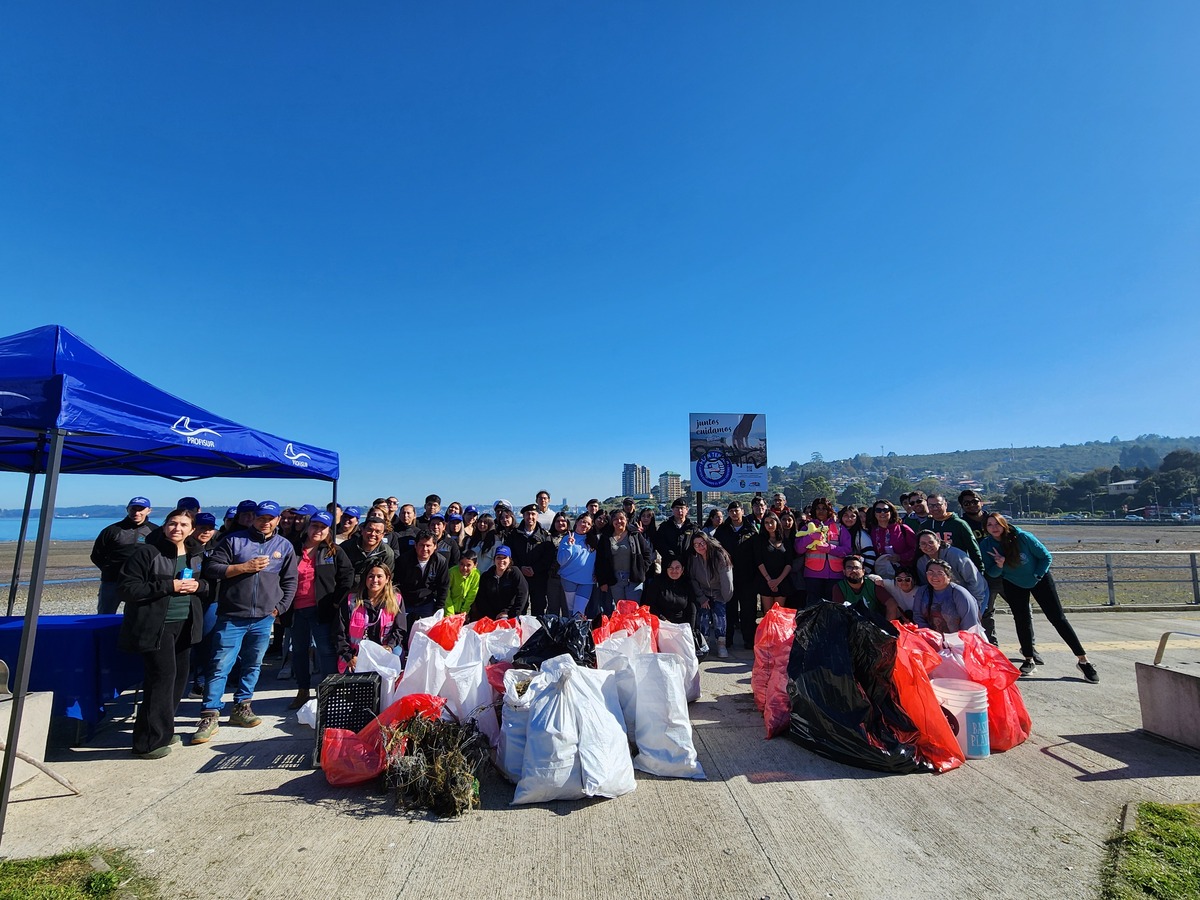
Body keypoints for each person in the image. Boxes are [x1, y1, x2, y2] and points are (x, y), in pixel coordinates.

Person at [194, 500, 297, 743]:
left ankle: (242, 706)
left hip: (263, 617)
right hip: (232, 615)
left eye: (271, 518)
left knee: (253, 664)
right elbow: (212, 569)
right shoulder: (234, 540)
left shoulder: (284, 546)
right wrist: (243, 567)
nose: (266, 522)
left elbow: (290, 581)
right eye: (262, 517)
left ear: (278, 520)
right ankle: (210, 713)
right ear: (254, 518)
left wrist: (279, 608)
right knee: (220, 664)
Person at [118, 509, 209, 759]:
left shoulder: (195, 554)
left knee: (179, 679)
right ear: (164, 526)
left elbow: (208, 585)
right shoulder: (146, 552)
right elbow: (127, 588)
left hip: (185, 624)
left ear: (192, 530)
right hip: (156, 626)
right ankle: (147, 742)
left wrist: (199, 585)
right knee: (161, 680)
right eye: (172, 523)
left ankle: (164, 731)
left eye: (183, 524)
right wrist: (169, 586)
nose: (176, 528)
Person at [981, 513, 1099, 682]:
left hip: (1039, 579)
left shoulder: (1022, 537)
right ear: (985, 528)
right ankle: (1029, 659)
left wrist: (1036, 576)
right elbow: (990, 572)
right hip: (1013, 582)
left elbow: (1045, 557)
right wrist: (1000, 565)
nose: (994, 528)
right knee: (1022, 620)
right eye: (989, 525)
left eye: (997, 524)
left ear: (1004, 524)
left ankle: (1083, 660)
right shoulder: (986, 545)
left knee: (1058, 618)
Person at [286, 511, 354, 710]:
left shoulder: (333, 551)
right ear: (308, 527)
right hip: (296, 609)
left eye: (323, 528)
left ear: (328, 531)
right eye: (315, 526)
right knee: (298, 651)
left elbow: (347, 576)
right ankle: (302, 690)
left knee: (326, 652)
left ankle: (328, 691)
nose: (318, 530)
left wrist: (336, 603)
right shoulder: (293, 549)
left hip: (322, 610)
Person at [91, 496, 156, 614]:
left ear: (148, 510)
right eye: (133, 509)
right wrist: (109, 570)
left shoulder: (155, 532)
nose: (136, 513)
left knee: (139, 616)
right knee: (105, 614)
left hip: (141, 582)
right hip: (112, 581)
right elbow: (96, 555)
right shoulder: (112, 530)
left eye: (140, 509)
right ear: (127, 509)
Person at [335, 563, 405, 671]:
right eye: (371, 576)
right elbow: (339, 632)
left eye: (379, 576)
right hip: (356, 654)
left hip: (384, 651)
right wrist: (349, 657)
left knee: (397, 654)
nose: (374, 580)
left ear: (387, 579)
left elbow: (400, 629)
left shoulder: (396, 600)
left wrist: (390, 646)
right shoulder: (351, 600)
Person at [714, 500, 760, 644]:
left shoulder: (751, 529)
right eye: (731, 511)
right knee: (729, 610)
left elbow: (757, 553)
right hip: (728, 575)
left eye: (737, 510)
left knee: (748, 610)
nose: (734, 513)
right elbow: (716, 549)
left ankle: (749, 640)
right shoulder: (722, 530)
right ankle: (727, 640)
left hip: (748, 576)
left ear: (742, 511)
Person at [914, 530, 989, 612]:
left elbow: (974, 581)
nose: (928, 546)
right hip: (947, 598)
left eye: (931, 542)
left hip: (975, 592)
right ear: (919, 546)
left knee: (971, 622)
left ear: (938, 542)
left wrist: (976, 605)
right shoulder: (921, 563)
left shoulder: (956, 555)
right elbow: (927, 586)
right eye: (923, 544)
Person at [394, 531, 450, 636]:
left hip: (427, 602)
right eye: (421, 545)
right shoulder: (403, 560)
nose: (424, 549)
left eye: (428, 545)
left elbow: (443, 587)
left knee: (427, 634)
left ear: (435, 546)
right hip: (406, 602)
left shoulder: (441, 562)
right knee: (403, 633)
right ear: (415, 545)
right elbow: (396, 584)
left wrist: (438, 609)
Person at [795, 497, 850, 604]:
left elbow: (847, 550)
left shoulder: (839, 528)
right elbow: (798, 549)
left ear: (829, 510)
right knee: (813, 608)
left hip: (836, 575)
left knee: (834, 609)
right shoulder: (807, 527)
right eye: (818, 508)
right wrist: (810, 537)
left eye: (824, 508)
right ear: (814, 511)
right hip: (812, 575)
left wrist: (829, 548)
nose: (821, 511)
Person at [688, 532, 734, 658]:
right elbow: (692, 579)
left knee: (719, 617)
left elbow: (727, 579)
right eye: (696, 544)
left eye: (702, 543)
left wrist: (724, 598)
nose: (699, 547)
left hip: (719, 592)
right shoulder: (694, 558)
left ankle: (721, 643)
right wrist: (701, 597)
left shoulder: (719, 556)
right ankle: (704, 642)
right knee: (703, 617)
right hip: (703, 592)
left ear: (707, 542)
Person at [911, 558, 981, 634]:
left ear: (948, 576)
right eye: (930, 572)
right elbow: (917, 615)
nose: (934, 576)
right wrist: (929, 634)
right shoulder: (922, 591)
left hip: (960, 640)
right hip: (931, 638)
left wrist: (957, 642)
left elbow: (970, 623)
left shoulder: (960, 593)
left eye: (940, 573)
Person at [643, 558, 700, 651]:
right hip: (662, 623)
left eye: (677, 568)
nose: (674, 571)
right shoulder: (657, 582)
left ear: (682, 570)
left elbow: (692, 608)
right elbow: (650, 605)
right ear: (666, 569)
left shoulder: (687, 584)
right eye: (671, 568)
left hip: (681, 624)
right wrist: (663, 619)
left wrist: (689, 628)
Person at [595, 509, 647, 608]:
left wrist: (641, 569)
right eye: (615, 519)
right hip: (615, 579)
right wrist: (603, 581)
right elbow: (600, 561)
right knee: (620, 610)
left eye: (621, 518)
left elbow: (647, 553)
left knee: (633, 610)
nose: (619, 521)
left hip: (633, 578)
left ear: (626, 520)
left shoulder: (634, 534)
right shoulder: (606, 537)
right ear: (612, 521)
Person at [508, 504, 553, 616]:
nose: (530, 517)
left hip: (538, 578)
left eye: (533, 514)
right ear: (523, 516)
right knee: (519, 607)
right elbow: (510, 555)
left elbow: (548, 557)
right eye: (528, 514)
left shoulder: (544, 535)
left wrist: (535, 569)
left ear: (537, 516)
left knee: (538, 608)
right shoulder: (514, 534)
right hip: (519, 576)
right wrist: (520, 568)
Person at [469, 545, 529, 621]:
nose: (501, 561)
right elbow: (481, 599)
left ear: (509, 560)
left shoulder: (515, 573)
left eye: (504, 557)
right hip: (491, 617)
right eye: (498, 557)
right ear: (494, 559)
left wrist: (511, 614)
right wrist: (492, 616)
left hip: (511, 615)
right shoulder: (486, 576)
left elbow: (523, 593)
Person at [925, 494, 984, 570]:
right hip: (935, 570)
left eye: (938, 505)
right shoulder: (925, 526)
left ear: (945, 505)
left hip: (959, 567)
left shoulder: (959, 524)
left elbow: (973, 549)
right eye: (931, 506)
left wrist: (979, 570)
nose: (935, 508)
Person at [832, 555, 900, 621]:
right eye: (849, 568)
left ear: (863, 571)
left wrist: (887, 627)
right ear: (844, 572)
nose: (853, 571)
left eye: (857, 568)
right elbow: (838, 612)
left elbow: (891, 604)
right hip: (851, 624)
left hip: (873, 623)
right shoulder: (839, 587)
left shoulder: (872, 584)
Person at [556, 514, 596, 616]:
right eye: (583, 522)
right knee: (571, 610)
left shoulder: (594, 540)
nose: (585, 525)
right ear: (577, 522)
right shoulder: (567, 538)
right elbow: (561, 560)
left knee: (579, 612)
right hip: (569, 579)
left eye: (588, 524)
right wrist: (569, 546)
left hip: (587, 581)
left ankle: (576, 630)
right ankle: (572, 631)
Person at [753, 511, 793, 611]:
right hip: (766, 581)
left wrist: (778, 581)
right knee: (768, 614)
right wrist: (770, 581)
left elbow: (789, 563)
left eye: (772, 522)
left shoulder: (785, 541)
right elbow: (759, 561)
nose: (769, 525)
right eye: (766, 522)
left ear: (777, 522)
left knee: (778, 614)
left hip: (782, 581)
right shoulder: (760, 540)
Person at [867, 499, 917, 576]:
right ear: (874, 513)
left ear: (891, 512)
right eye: (878, 510)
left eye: (885, 510)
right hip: (879, 573)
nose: (882, 513)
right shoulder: (870, 531)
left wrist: (900, 557)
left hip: (903, 574)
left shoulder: (903, 529)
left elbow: (916, 549)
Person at [342, 515, 395, 581]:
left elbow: (386, 578)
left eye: (377, 532)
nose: (373, 534)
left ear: (383, 535)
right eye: (369, 530)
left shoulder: (387, 553)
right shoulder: (346, 547)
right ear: (362, 530)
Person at [654, 497, 696, 570]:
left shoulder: (692, 527)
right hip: (669, 564)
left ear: (687, 510)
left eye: (682, 508)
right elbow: (660, 544)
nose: (680, 511)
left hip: (688, 565)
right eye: (677, 508)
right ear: (672, 509)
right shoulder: (664, 526)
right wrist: (673, 558)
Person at [545, 512, 572, 616]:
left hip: (569, 579)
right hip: (553, 577)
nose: (560, 523)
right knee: (552, 607)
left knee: (567, 608)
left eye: (563, 521)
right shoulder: (548, 537)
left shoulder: (573, 536)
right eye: (558, 521)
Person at [839, 505, 877, 573]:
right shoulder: (835, 532)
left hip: (855, 574)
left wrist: (864, 573)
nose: (849, 519)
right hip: (836, 572)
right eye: (846, 515)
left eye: (852, 516)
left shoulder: (861, 535)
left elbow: (870, 556)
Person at [445, 551, 481, 618]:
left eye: (468, 565)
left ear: (475, 565)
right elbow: (447, 593)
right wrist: (450, 613)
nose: (464, 568)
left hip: (464, 610)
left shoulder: (476, 574)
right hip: (449, 609)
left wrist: (464, 611)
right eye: (462, 564)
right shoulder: (452, 572)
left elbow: (472, 593)